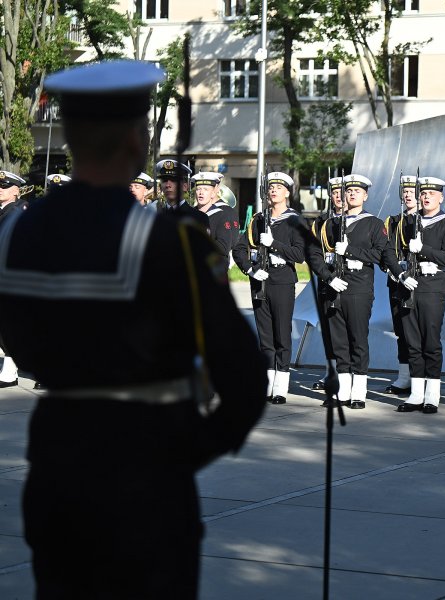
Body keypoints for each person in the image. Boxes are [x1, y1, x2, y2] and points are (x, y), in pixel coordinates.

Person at [0, 59, 267, 598]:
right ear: (137, 139)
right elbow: (242, 377)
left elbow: (20, 339)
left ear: (70, 137)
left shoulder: (16, 234)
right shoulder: (168, 240)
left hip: (56, 464)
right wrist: (188, 448)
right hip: (145, 469)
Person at [306, 174, 387, 409]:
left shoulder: (373, 223)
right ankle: (342, 391)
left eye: (356, 191)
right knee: (338, 340)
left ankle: (358, 392)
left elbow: (379, 254)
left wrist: (350, 250)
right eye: (348, 191)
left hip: (359, 288)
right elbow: (315, 254)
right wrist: (328, 277)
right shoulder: (329, 223)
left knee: (357, 339)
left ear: (365, 196)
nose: (351, 194)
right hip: (334, 287)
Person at [233, 172, 306, 404]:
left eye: (278, 187)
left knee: (282, 333)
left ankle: (281, 386)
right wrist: (250, 269)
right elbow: (239, 249)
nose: (273, 191)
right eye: (271, 187)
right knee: (265, 335)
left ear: (287, 193)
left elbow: (299, 254)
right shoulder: (258, 219)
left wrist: (273, 243)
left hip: (283, 280)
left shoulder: (295, 220)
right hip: (260, 280)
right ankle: (267, 383)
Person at [388, 176, 445, 413]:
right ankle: (416, 394)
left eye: (432, 194)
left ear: (441, 197)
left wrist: (425, 250)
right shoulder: (408, 223)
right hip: (408, 284)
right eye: (423, 193)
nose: (426, 197)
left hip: (432, 286)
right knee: (412, 341)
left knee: (430, 341)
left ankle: (432, 395)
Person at [382, 174, 419, 395]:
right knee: (400, 330)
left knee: (416, 330)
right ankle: (404, 376)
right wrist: (390, 269)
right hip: (396, 280)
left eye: (411, 191)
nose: (407, 195)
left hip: (416, 281)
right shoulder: (393, 221)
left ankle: (418, 376)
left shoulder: (423, 221)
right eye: (404, 191)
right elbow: (384, 250)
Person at [311, 175, 344, 392]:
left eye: (343, 191)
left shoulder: (356, 220)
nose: (339, 196)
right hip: (326, 280)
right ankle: (330, 373)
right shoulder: (321, 222)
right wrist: (326, 276)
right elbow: (314, 253)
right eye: (335, 192)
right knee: (328, 331)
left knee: (346, 332)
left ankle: (347, 374)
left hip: (350, 283)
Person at [0, 169, 27, 388]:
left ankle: (11, 372)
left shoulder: (17, 212)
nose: (0, 189)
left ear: (16, 191)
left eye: (4, 186)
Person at [192, 171, 239, 270]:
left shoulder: (222, 215)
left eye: (205, 189)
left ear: (213, 192)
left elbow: (224, 247)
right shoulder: (190, 214)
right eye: (198, 189)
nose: (201, 192)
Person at [155, 158, 209, 229]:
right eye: (164, 180)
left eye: (174, 180)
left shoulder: (199, 218)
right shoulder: (155, 216)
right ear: (160, 186)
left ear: (185, 186)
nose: (168, 185)